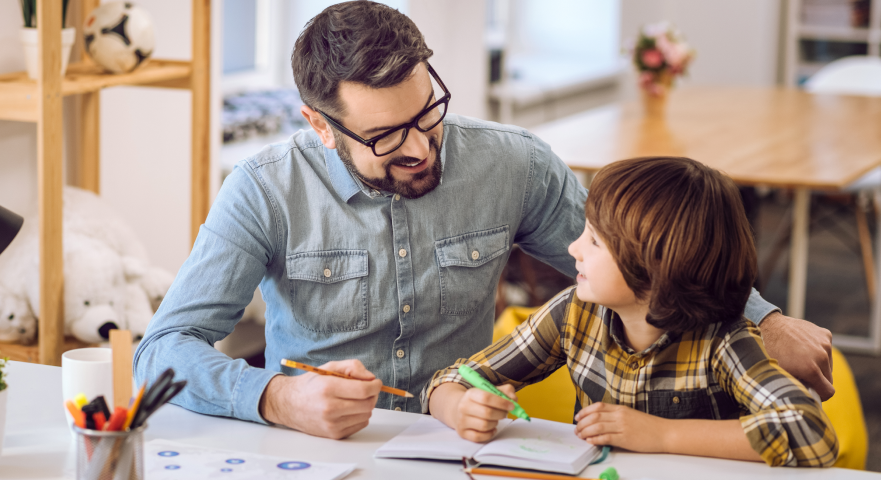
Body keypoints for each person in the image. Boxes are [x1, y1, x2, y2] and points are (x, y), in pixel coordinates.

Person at [133, 1, 834, 440]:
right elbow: (161, 349)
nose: (417, 147)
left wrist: (766, 319)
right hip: (321, 453)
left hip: (462, 449)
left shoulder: (513, 164)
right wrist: (280, 398)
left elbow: (646, 258)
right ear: (319, 125)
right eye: (384, 138)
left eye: (426, 114)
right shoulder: (262, 190)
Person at [424, 157, 838, 467]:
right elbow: (449, 379)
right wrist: (459, 407)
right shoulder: (573, 314)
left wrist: (662, 434)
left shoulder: (724, 340)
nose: (573, 249)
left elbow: (812, 432)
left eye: (595, 243)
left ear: (656, 271)